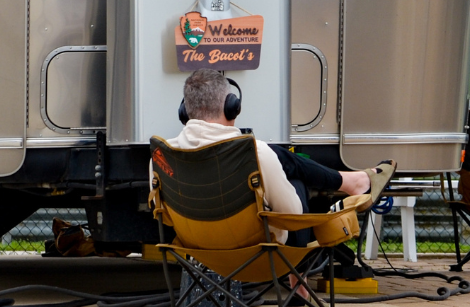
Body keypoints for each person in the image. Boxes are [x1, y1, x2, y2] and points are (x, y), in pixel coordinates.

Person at [155, 68, 397, 244]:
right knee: (295, 181)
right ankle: (297, 288)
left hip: (196, 246)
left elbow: (163, 214)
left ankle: (352, 182)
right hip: (256, 251)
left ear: (184, 112)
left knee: (280, 159)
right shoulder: (255, 152)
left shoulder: (160, 156)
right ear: (232, 107)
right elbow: (292, 215)